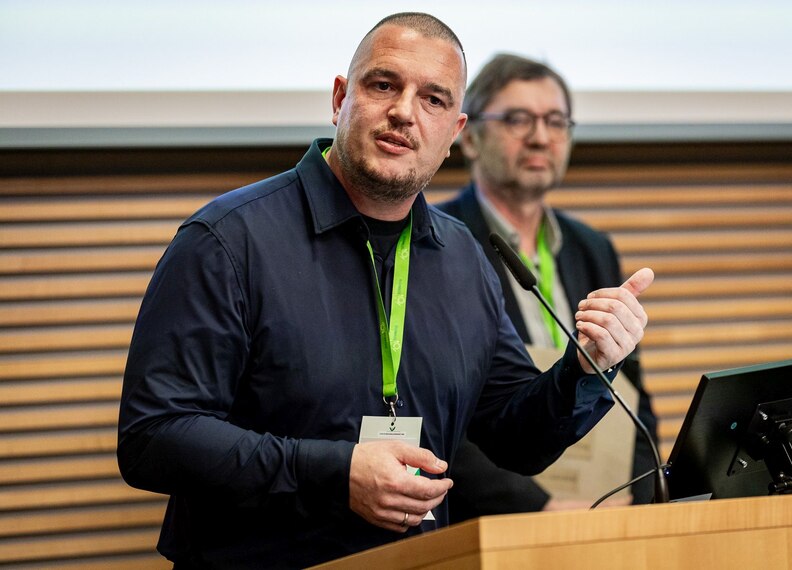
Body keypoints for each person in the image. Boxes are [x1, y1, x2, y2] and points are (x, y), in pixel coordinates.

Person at [117, 14, 653, 569]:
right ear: (340, 98)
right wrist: (336, 470)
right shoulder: (228, 240)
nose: (404, 112)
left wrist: (585, 368)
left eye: (434, 100)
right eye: (384, 85)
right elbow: (154, 438)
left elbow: (517, 439)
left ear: (455, 134)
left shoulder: (465, 259)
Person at [437, 53, 660, 520]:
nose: (540, 136)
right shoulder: (437, 240)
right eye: (518, 119)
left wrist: (639, 497)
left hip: (605, 511)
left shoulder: (591, 247)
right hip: (492, 518)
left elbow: (630, 391)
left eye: (556, 121)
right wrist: (538, 508)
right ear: (470, 136)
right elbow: (438, 416)